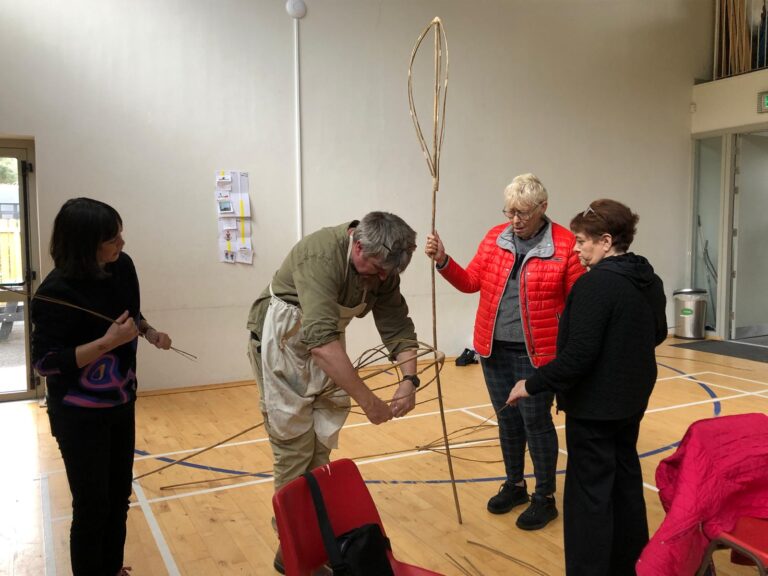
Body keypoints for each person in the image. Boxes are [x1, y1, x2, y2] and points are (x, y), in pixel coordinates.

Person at [246, 211, 420, 574]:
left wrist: (409, 379)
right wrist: (370, 402)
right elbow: (321, 342)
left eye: (389, 271)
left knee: (321, 443)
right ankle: (292, 549)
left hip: (323, 342)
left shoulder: (382, 266)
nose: (383, 277)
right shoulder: (320, 256)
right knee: (293, 447)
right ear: (357, 246)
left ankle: (311, 540)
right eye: (376, 267)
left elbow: (395, 322)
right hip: (283, 338)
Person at [507, 199, 667, 575]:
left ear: (606, 241)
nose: (576, 248)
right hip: (631, 401)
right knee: (625, 481)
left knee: (589, 497)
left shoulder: (596, 285)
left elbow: (578, 356)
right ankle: (630, 564)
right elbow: (656, 333)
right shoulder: (649, 278)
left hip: (596, 408)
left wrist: (531, 384)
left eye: (581, 241)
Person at [425, 173, 584, 530]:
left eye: (523, 213)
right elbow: (470, 283)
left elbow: (579, 303)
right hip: (493, 349)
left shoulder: (565, 244)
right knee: (507, 421)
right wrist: (443, 260)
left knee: (536, 422)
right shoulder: (495, 238)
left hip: (538, 354)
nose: (515, 220)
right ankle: (514, 484)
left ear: (543, 208)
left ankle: (544, 498)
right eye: (510, 211)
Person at [31, 197, 173, 576]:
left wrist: (149, 331)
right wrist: (107, 343)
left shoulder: (121, 267)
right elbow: (45, 363)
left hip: (120, 404)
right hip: (77, 416)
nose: (122, 244)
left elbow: (131, 314)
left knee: (118, 500)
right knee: (91, 507)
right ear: (84, 245)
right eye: (112, 239)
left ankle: (111, 570)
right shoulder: (52, 293)